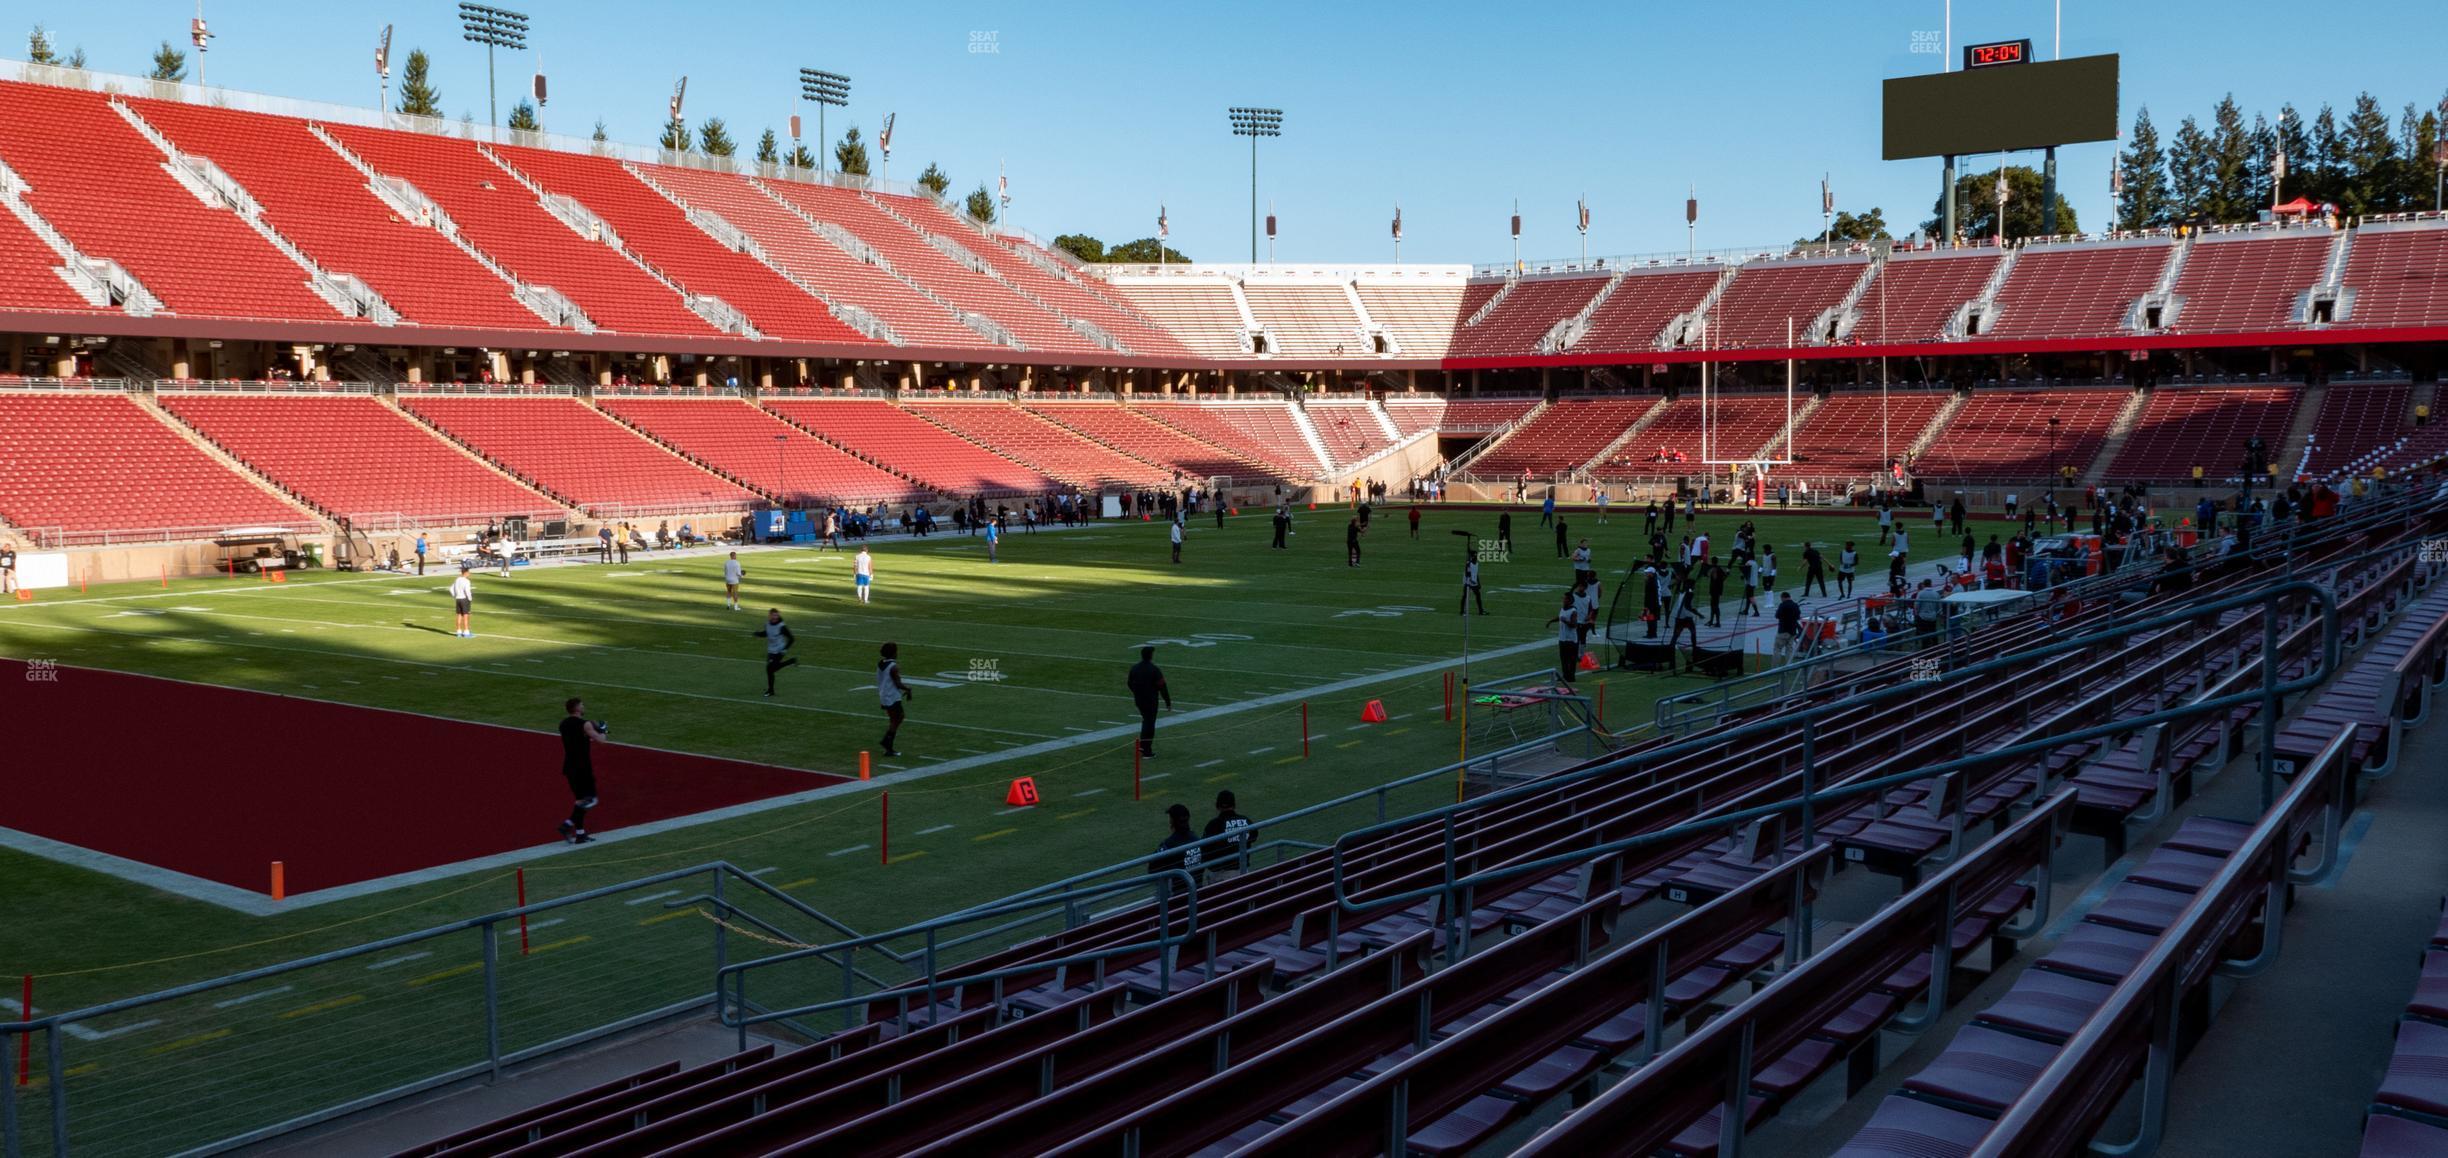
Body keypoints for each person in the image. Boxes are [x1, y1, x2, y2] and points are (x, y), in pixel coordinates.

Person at [556, 697, 606, 845]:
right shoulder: (586, 724)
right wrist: (603, 730)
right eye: (582, 705)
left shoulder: (563, 724)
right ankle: (566, 825)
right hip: (582, 768)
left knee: (580, 801)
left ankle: (580, 834)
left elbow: (579, 739)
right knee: (591, 799)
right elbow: (602, 740)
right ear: (577, 708)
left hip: (569, 767)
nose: (584, 707)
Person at [1127, 645, 1172, 757]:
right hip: (1151, 700)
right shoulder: (1154, 669)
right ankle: (1146, 749)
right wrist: (1168, 702)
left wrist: (1137, 692)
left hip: (1139, 699)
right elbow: (1162, 686)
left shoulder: (1135, 668)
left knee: (1146, 720)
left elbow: (1129, 683)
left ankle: (1143, 745)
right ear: (1151, 656)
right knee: (1149, 723)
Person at [1150, 802, 1203, 887]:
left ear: (1171, 821)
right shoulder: (1197, 839)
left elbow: (1152, 868)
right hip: (1198, 891)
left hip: (1178, 895)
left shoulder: (1169, 844)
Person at [876, 641, 913, 757]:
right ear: (893, 653)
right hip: (892, 696)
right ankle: (888, 745)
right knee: (898, 718)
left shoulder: (881, 663)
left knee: (896, 718)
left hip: (884, 694)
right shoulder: (893, 667)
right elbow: (898, 683)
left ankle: (887, 742)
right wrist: (908, 689)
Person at [1204, 790, 1253, 875]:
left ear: (1217, 806)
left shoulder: (1213, 824)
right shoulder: (1246, 820)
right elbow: (1254, 836)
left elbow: (1204, 847)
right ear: (1234, 805)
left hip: (1222, 875)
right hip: (1244, 871)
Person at [752, 608, 798, 698]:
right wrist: (758, 634)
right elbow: (766, 633)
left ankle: (770, 690)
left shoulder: (782, 626)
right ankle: (791, 661)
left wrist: (784, 649)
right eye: (773, 615)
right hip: (771, 650)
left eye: (777, 615)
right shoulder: (767, 624)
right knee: (772, 669)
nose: (775, 617)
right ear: (769, 616)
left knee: (769, 669)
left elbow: (792, 638)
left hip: (780, 650)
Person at [1549, 588, 1583, 684]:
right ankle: (1565, 676)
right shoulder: (1562, 609)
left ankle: (1571, 677)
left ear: (1569, 600)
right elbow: (1560, 617)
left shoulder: (1573, 611)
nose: (1563, 600)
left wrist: (1566, 621)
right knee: (1563, 659)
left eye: (1565, 599)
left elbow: (1574, 625)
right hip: (1562, 638)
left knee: (1571, 659)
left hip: (1571, 640)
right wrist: (1551, 621)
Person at [1774, 592, 1803, 661]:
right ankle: (1788, 668)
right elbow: (1798, 617)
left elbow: (1777, 616)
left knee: (1777, 649)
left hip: (1783, 631)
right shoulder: (1795, 605)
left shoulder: (1783, 605)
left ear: (1783, 597)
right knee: (1789, 650)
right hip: (1793, 631)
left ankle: (1774, 668)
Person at [450, 563, 475, 637]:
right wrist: (470, 598)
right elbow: (467, 591)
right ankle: (466, 631)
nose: (469, 574)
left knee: (459, 615)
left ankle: (458, 631)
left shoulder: (457, 579)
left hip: (458, 599)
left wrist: (455, 596)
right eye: (469, 572)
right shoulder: (466, 581)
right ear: (466, 573)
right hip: (464, 599)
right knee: (466, 615)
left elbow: (451, 589)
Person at [1461, 548, 1487, 615]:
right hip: (1468, 582)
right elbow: (1467, 574)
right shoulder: (1469, 564)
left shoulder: (1476, 563)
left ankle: (1481, 611)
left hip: (1473, 582)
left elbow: (1476, 573)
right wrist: (1471, 582)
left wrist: (1478, 582)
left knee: (1478, 595)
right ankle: (1462, 611)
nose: (1477, 557)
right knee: (1465, 596)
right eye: (1475, 556)